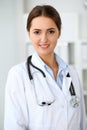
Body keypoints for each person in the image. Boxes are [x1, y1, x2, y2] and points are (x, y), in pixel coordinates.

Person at [4, 5, 86, 130]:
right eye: (37, 32)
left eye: (51, 31)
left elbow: (82, 123)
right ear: (29, 34)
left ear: (59, 32)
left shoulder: (72, 74)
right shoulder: (18, 75)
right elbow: (14, 126)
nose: (44, 39)